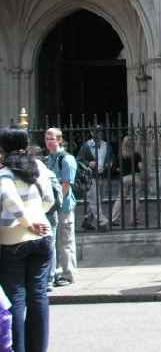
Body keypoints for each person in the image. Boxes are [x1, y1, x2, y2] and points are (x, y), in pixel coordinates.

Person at [0, 128, 54, 352]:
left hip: (14, 240)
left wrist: (26, 222)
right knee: (39, 295)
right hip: (43, 238)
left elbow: (9, 199)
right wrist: (36, 218)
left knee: (16, 298)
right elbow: (50, 198)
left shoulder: (5, 172)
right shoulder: (39, 167)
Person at [44, 128, 77, 288]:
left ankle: (68, 273)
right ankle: (57, 271)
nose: (49, 141)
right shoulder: (48, 159)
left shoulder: (67, 159)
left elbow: (66, 185)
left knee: (65, 240)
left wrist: (56, 202)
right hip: (52, 207)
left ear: (59, 140)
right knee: (55, 242)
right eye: (47, 138)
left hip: (63, 206)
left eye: (52, 138)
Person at [77, 126, 113, 230]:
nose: (99, 134)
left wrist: (110, 163)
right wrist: (88, 163)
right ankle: (102, 221)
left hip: (103, 175)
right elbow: (78, 160)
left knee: (98, 199)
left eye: (100, 131)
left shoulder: (106, 145)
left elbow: (111, 157)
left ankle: (87, 220)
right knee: (94, 200)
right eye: (96, 132)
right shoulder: (86, 146)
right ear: (92, 133)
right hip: (91, 177)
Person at [112, 135, 145, 227]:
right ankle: (133, 219)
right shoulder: (137, 154)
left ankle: (114, 219)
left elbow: (117, 169)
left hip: (124, 178)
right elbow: (140, 166)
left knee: (120, 198)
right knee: (135, 199)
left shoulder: (120, 155)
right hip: (135, 177)